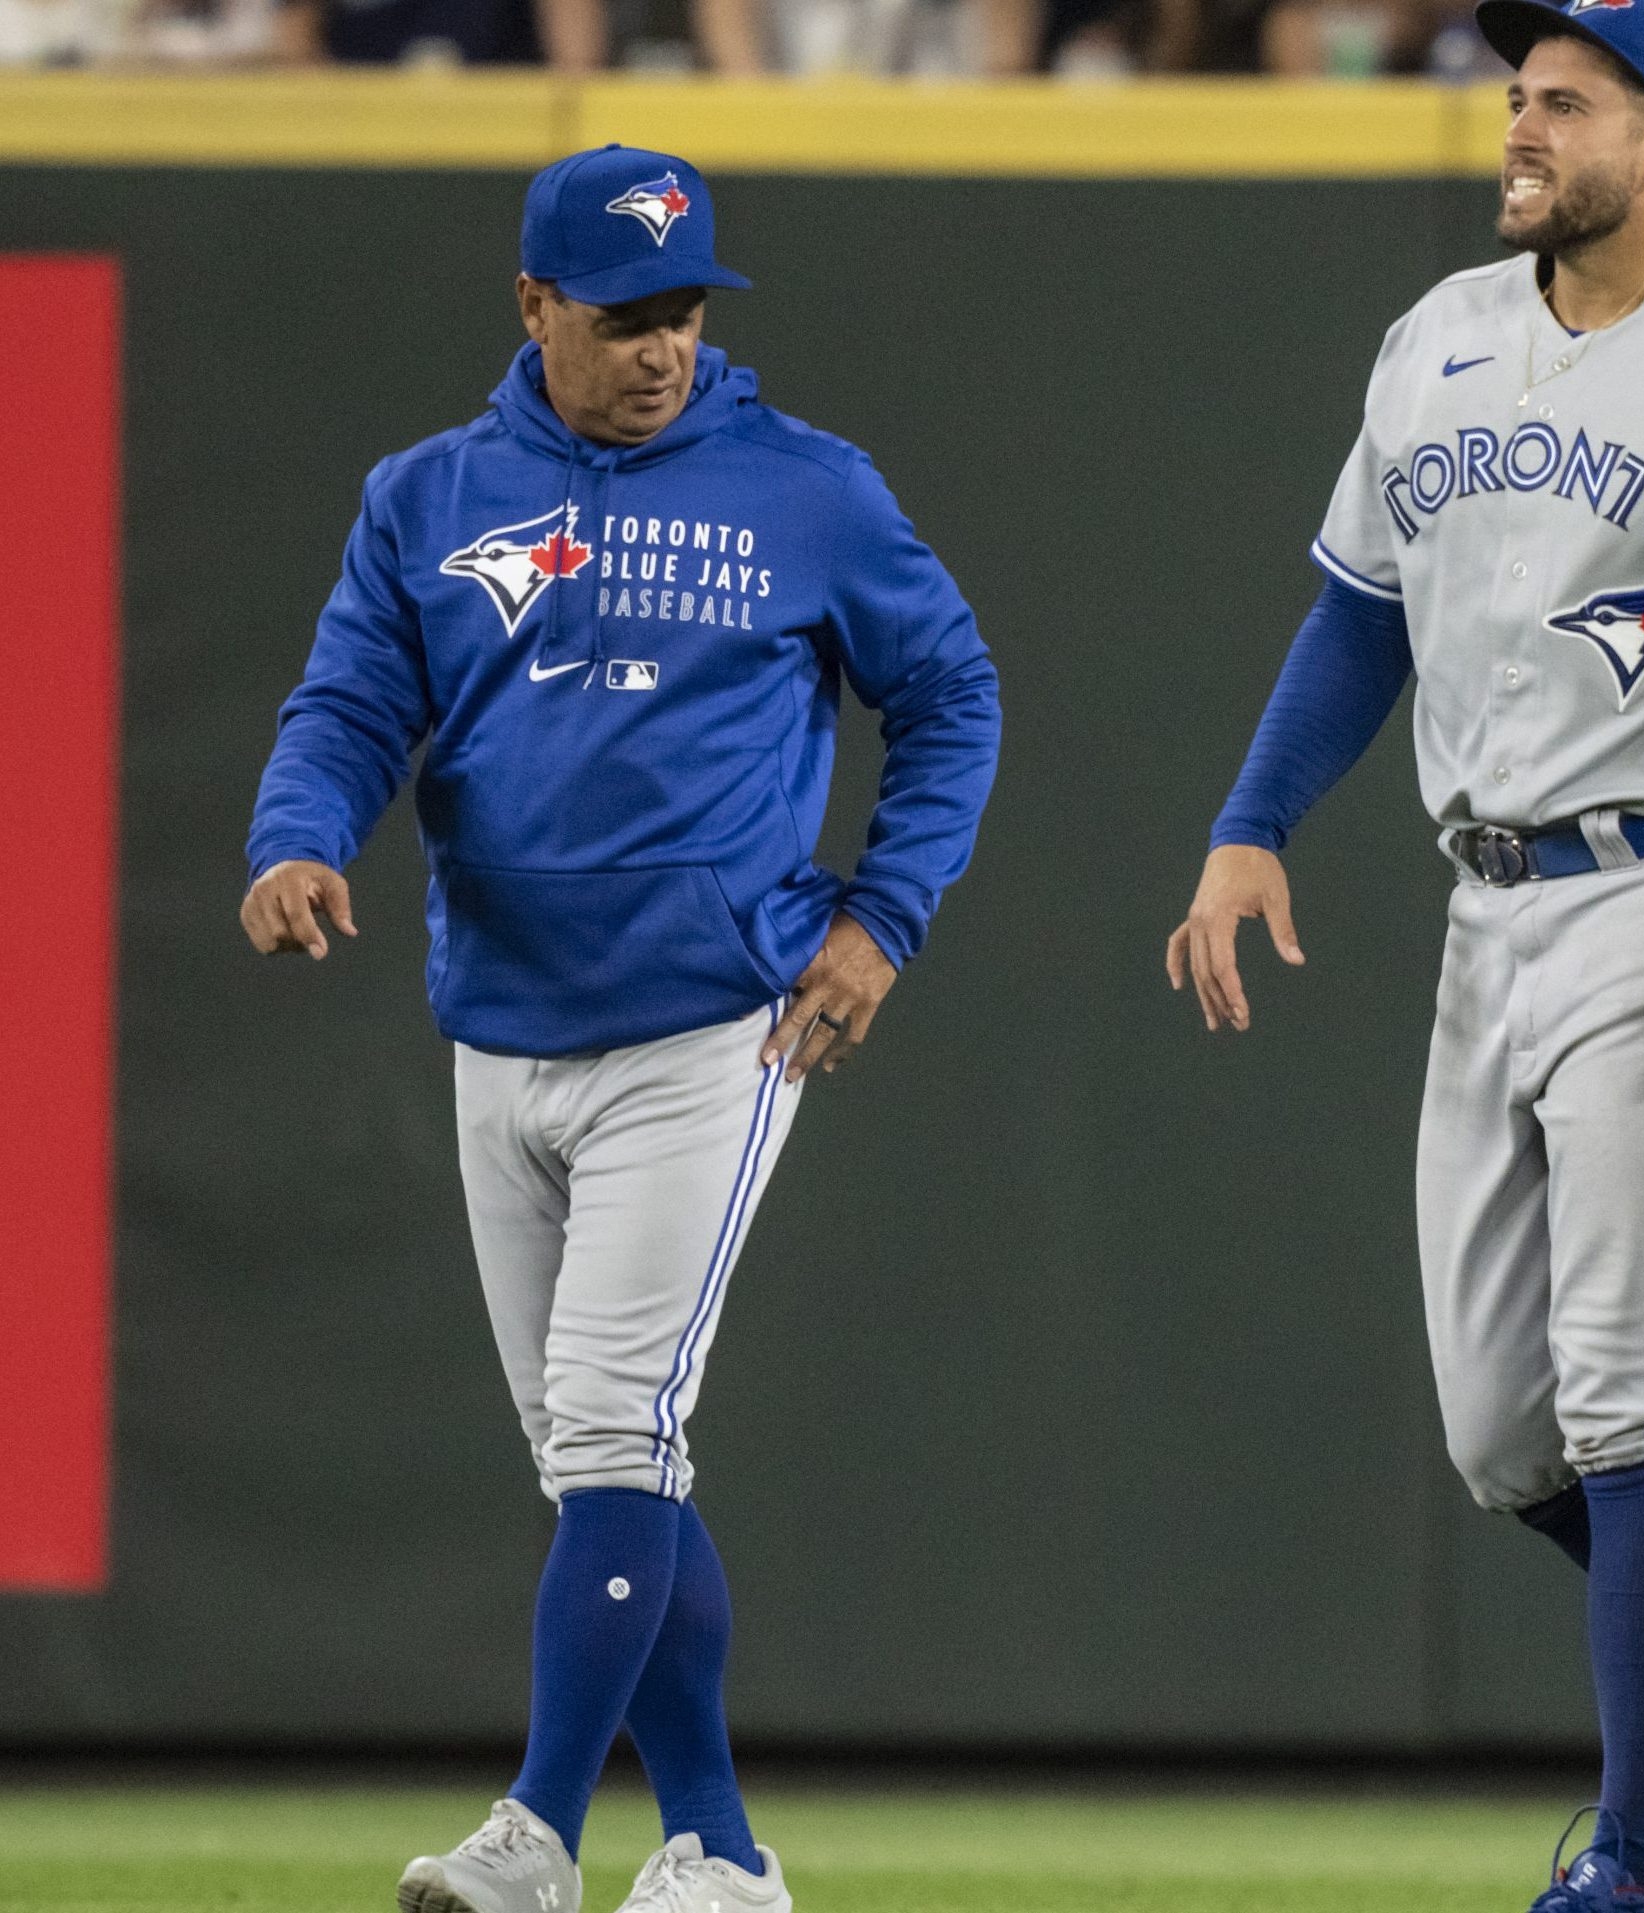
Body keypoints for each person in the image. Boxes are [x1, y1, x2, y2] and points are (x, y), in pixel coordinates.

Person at [1167, 4, 1644, 1907]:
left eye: (1567, 100)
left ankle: (1631, 1862)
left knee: (1630, 1408)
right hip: (1486, 901)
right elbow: (1357, 609)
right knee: (1507, 1440)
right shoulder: (1435, 333)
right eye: (1517, 93)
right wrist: (1251, 820)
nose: (1522, 122)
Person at [241, 144, 1000, 1913]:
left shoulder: (805, 488)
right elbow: (353, 697)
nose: (660, 347)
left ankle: (534, 1833)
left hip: (712, 1026)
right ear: (533, 306)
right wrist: (294, 830)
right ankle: (724, 1852)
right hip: (498, 1028)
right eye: (621, 313)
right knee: (604, 1456)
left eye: (682, 312)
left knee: (607, 1431)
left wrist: (882, 917)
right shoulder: (431, 494)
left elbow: (951, 691)